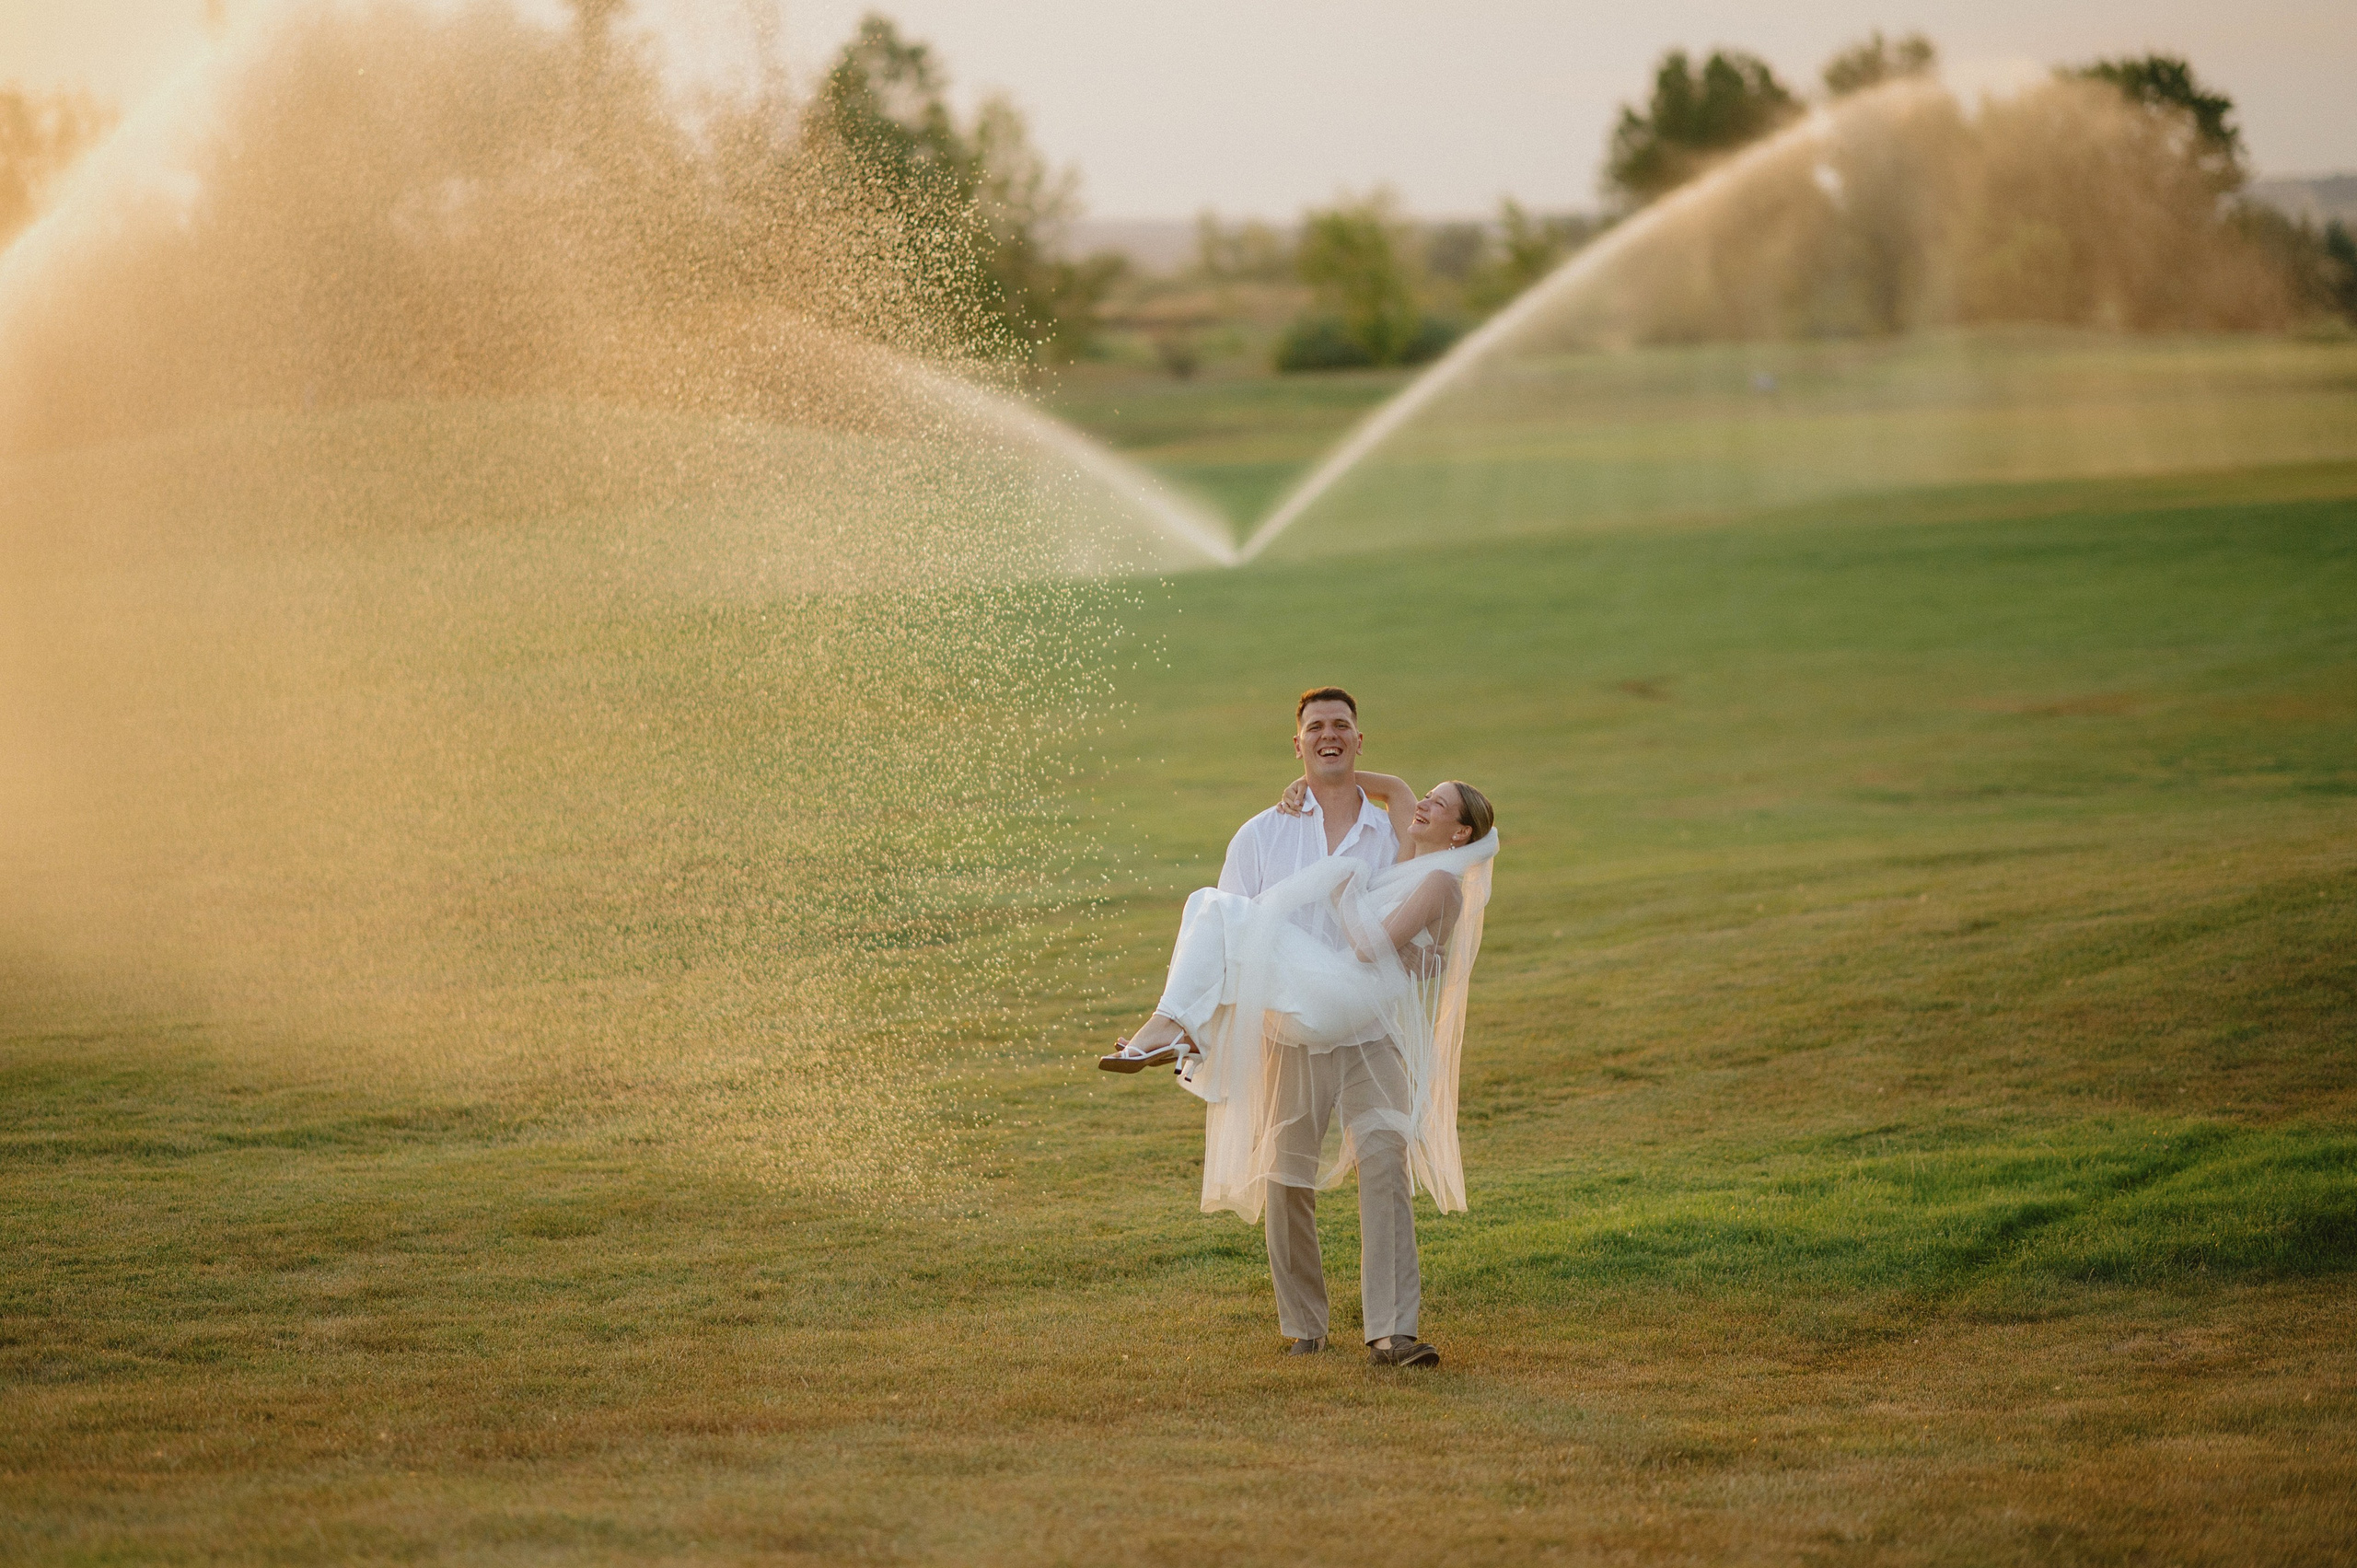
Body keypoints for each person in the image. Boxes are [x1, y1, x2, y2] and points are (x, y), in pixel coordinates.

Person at [1099, 687, 1499, 1367]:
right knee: (1285, 1178)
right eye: (1316, 727)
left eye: (1341, 725)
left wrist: (1355, 893)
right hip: (1292, 1023)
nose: (1328, 735)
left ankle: (1392, 1333)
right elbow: (1230, 953)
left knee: (1385, 1164)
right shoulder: (1262, 832)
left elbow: (1402, 926)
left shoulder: (1398, 832)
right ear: (1298, 744)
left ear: (1359, 739)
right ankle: (1305, 1327)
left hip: (1368, 1025)